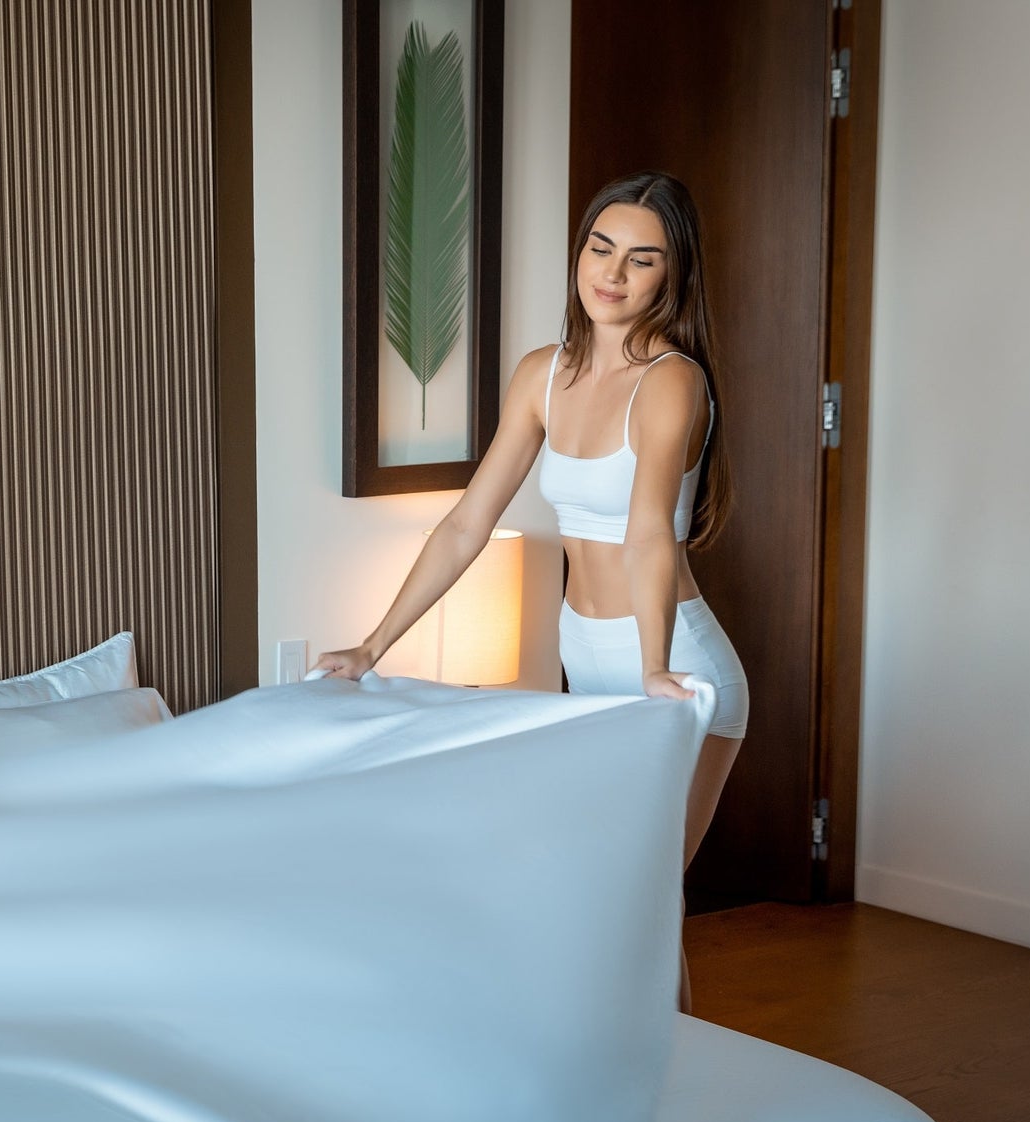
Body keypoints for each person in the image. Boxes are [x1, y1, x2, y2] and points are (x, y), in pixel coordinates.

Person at [314, 171, 746, 1013]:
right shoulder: (542, 375)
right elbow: (466, 524)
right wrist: (372, 645)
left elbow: (651, 530)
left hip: (676, 668)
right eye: (601, 248)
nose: (613, 274)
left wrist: (655, 667)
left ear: (673, 277)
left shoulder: (672, 381)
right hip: (585, 659)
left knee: (636, 905)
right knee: (623, 907)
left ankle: (679, 1091)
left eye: (642, 260)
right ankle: (666, 1089)